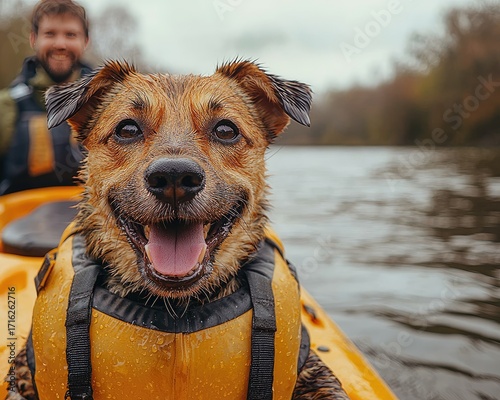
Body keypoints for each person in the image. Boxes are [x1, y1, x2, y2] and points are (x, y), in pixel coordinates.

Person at [0, 0, 92, 195]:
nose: (60, 44)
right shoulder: (6, 105)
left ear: (85, 42)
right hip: (15, 219)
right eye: (50, 34)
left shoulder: (107, 105)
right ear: (34, 39)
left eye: (70, 34)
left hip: (92, 220)